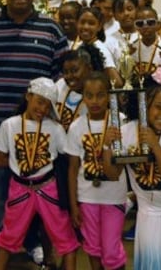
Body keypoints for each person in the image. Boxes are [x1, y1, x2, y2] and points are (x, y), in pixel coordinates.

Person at [0, 0, 67, 265]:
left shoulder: (51, 30)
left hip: (40, 132)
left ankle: (32, 241)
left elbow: (60, 79)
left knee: (38, 192)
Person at [102, 82, 161, 270]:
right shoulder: (127, 131)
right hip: (147, 213)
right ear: (144, 107)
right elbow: (113, 174)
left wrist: (154, 145)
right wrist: (106, 147)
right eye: (158, 107)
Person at [0, 77, 79, 270]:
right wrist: (21, 163)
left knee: (65, 237)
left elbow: (66, 158)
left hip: (48, 188)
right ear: (28, 96)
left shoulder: (55, 129)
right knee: (8, 236)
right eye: (39, 102)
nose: (43, 109)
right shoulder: (9, 125)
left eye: (48, 106)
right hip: (20, 188)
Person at [66, 72, 128, 270]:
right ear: (82, 97)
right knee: (92, 247)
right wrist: (74, 204)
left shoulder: (120, 121)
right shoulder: (76, 126)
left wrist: (111, 144)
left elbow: (123, 162)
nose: (94, 101)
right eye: (89, 95)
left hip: (114, 196)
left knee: (111, 250)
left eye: (100, 95)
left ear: (109, 96)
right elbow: (73, 168)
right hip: (87, 197)